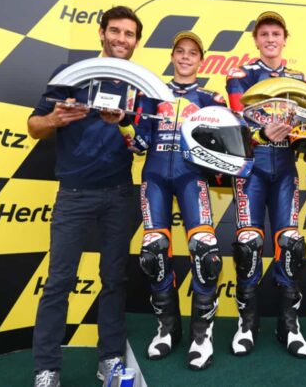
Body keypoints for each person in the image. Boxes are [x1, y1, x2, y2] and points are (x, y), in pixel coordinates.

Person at [28, 6, 143, 387]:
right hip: (74, 194)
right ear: (101, 33)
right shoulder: (70, 76)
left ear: (136, 42)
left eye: (129, 34)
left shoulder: (140, 85)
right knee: (59, 280)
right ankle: (47, 370)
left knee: (114, 279)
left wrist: (125, 122)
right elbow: (34, 125)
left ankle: (109, 362)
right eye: (115, 31)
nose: (121, 39)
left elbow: (145, 143)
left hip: (118, 194)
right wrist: (54, 120)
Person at [225, 11, 306, 358]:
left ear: (284, 38)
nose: (270, 39)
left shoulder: (300, 79)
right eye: (264, 34)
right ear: (256, 40)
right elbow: (235, 123)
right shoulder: (240, 75)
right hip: (251, 170)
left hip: (286, 170)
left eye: (276, 33)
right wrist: (260, 133)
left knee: (290, 245)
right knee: (248, 246)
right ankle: (247, 324)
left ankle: (289, 325)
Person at [117, 31, 224, 370]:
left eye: (193, 52)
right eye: (180, 51)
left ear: (201, 59)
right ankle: (167, 328)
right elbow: (139, 145)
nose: (186, 57)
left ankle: (202, 334)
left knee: (206, 254)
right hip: (155, 179)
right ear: (173, 55)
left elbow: (225, 149)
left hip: (193, 179)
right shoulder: (152, 94)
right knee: (152, 253)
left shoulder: (211, 98)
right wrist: (123, 126)